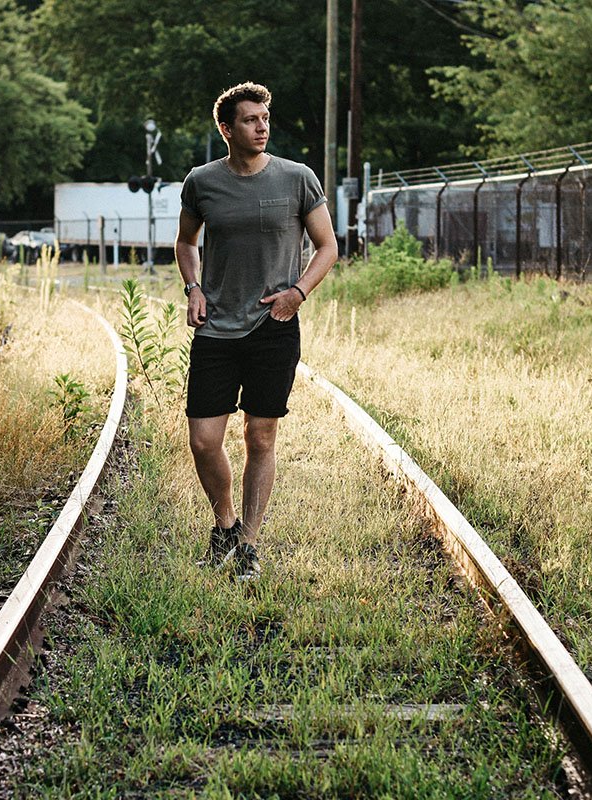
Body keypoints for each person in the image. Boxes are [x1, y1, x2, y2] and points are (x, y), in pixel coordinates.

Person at [175, 82, 338, 582]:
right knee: (204, 439)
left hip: (274, 324)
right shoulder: (202, 182)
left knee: (260, 435)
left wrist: (298, 293)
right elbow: (185, 241)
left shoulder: (297, 179)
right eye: (250, 119)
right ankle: (224, 524)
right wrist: (193, 287)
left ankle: (248, 543)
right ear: (227, 129)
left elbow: (327, 245)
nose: (262, 126)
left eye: (265, 118)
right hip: (217, 327)